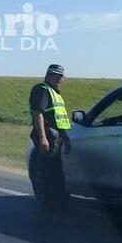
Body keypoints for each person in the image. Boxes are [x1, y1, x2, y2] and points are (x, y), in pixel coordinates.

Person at [29, 64, 72, 216]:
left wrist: (65, 138)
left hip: (56, 138)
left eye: (61, 76)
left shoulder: (55, 93)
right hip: (47, 137)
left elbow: (60, 120)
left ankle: (57, 205)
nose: (59, 78)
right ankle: (50, 207)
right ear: (48, 75)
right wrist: (42, 139)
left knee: (56, 174)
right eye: (56, 75)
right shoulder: (42, 89)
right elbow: (38, 114)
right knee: (49, 174)